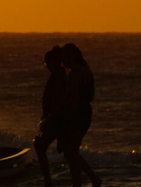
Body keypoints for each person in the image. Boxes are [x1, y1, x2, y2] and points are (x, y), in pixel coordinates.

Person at [60, 44, 100, 187]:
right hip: (85, 113)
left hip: (77, 115)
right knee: (71, 151)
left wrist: (65, 115)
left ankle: (83, 180)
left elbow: (72, 98)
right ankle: (89, 178)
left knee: (70, 151)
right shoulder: (86, 71)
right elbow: (91, 95)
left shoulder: (75, 73)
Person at [34, 46, 68, 187]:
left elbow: (58, 101)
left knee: (40, 146)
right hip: (55, 120)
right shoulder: (58, 76)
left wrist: (50, 118)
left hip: (57, 121)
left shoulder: (59, 77)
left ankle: (48, 181)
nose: (46, 66)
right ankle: (48, 180)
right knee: (69, 153)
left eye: (47, 63)